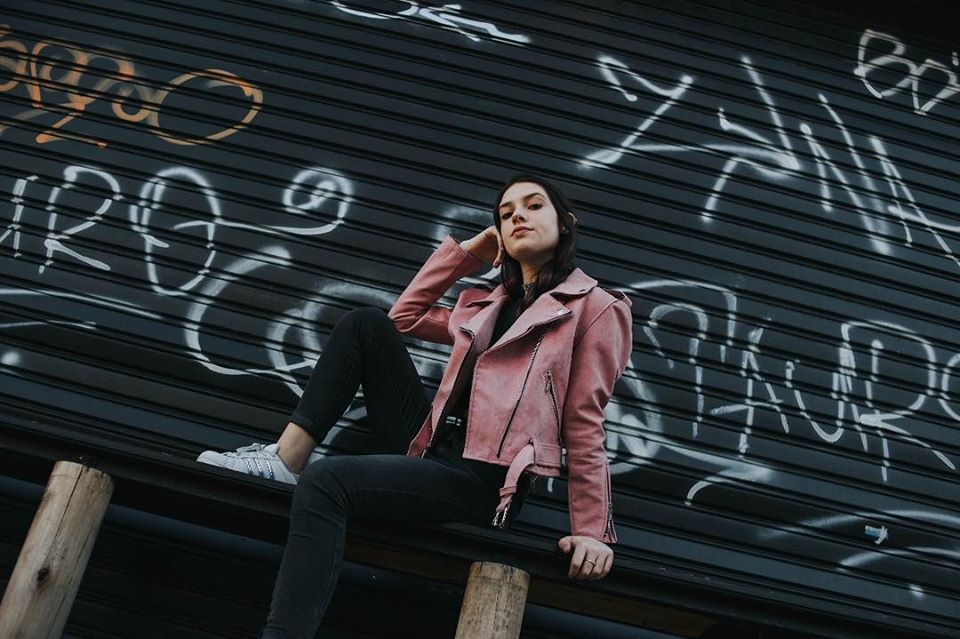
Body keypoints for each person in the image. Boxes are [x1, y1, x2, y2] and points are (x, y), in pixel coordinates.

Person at [196, 174, 633, 638]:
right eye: (506, 214)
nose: (518, 217)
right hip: (432, 450)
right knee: (365, 325)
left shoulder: (595, 309)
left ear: (565, 224)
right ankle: (285, 460)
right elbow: (404, 317)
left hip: (480, 481)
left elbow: (584, 422)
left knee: (327, 482)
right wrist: (468, 253)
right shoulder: (491, 304)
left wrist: (592, 532)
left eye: (533, 205)